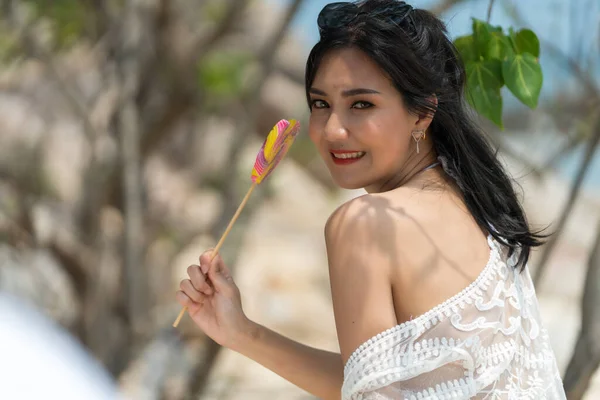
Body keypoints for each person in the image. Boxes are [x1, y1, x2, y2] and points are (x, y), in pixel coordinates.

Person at [176, 0, 567, 398]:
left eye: (361, 104)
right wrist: (241, 333)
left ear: (422, 113)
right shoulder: (481, 211)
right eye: (321, 104)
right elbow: (385, 381)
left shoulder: (366, 222)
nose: (333, 130)